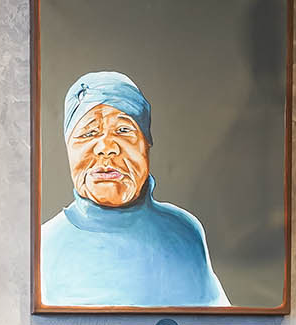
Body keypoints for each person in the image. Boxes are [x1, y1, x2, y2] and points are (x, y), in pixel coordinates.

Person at [38, 71, 229, 308]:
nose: (106, 148)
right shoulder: (43, 247)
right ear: (69, 149)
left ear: (146, 143)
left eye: (123, 130)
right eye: (89, 133)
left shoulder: (185, 233)